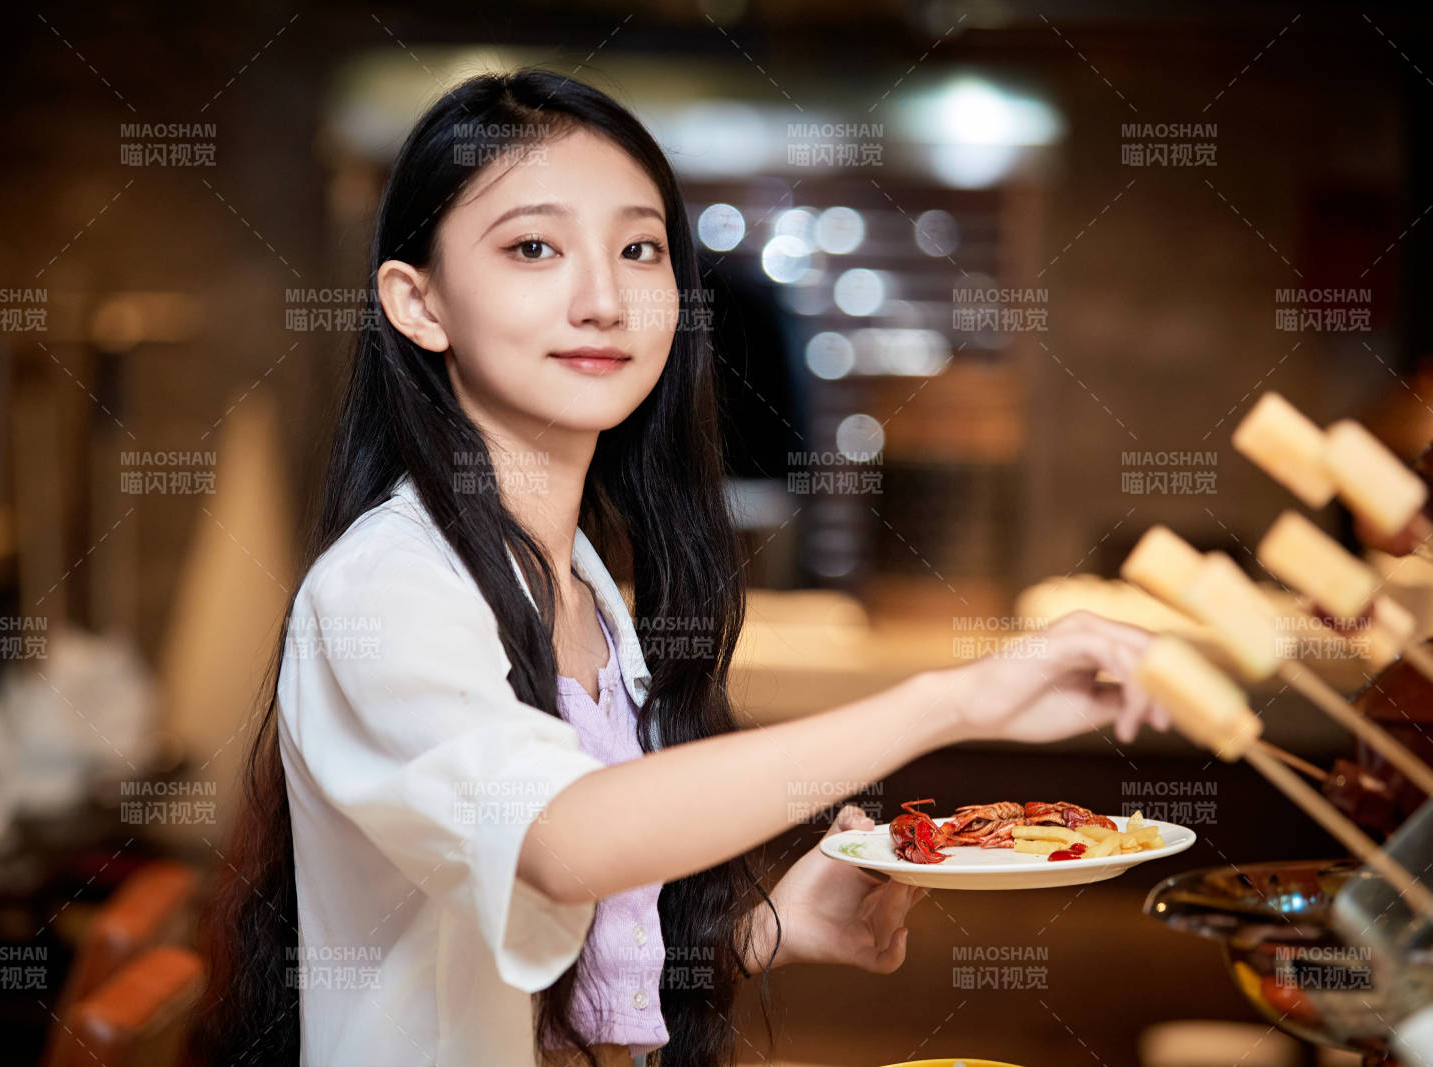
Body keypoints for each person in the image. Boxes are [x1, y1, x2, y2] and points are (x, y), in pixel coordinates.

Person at [190, 67, 1174, 1067]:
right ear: (418, 302)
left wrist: (767, 926)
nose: (602, 296)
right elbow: (565, 839)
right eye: (534, 246)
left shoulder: (585, 590)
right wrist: (952, 700)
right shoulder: (387, 586)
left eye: (639, 248)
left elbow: (564, 956)